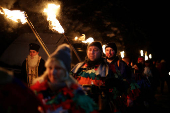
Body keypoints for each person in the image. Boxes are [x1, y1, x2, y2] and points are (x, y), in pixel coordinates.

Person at [30, 44, 98, 113]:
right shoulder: (36, 92)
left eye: (58, 68)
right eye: (50, 68)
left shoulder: (77, 96)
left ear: (65, 71)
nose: (53, 72)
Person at [71, 41, 137, 113]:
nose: (92, 52)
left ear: (100, 53)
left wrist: (117, 83)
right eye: (90, 50)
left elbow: (127, 84)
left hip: (100, 107)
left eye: (95, 50)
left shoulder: (109, 68)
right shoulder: (79, 67)